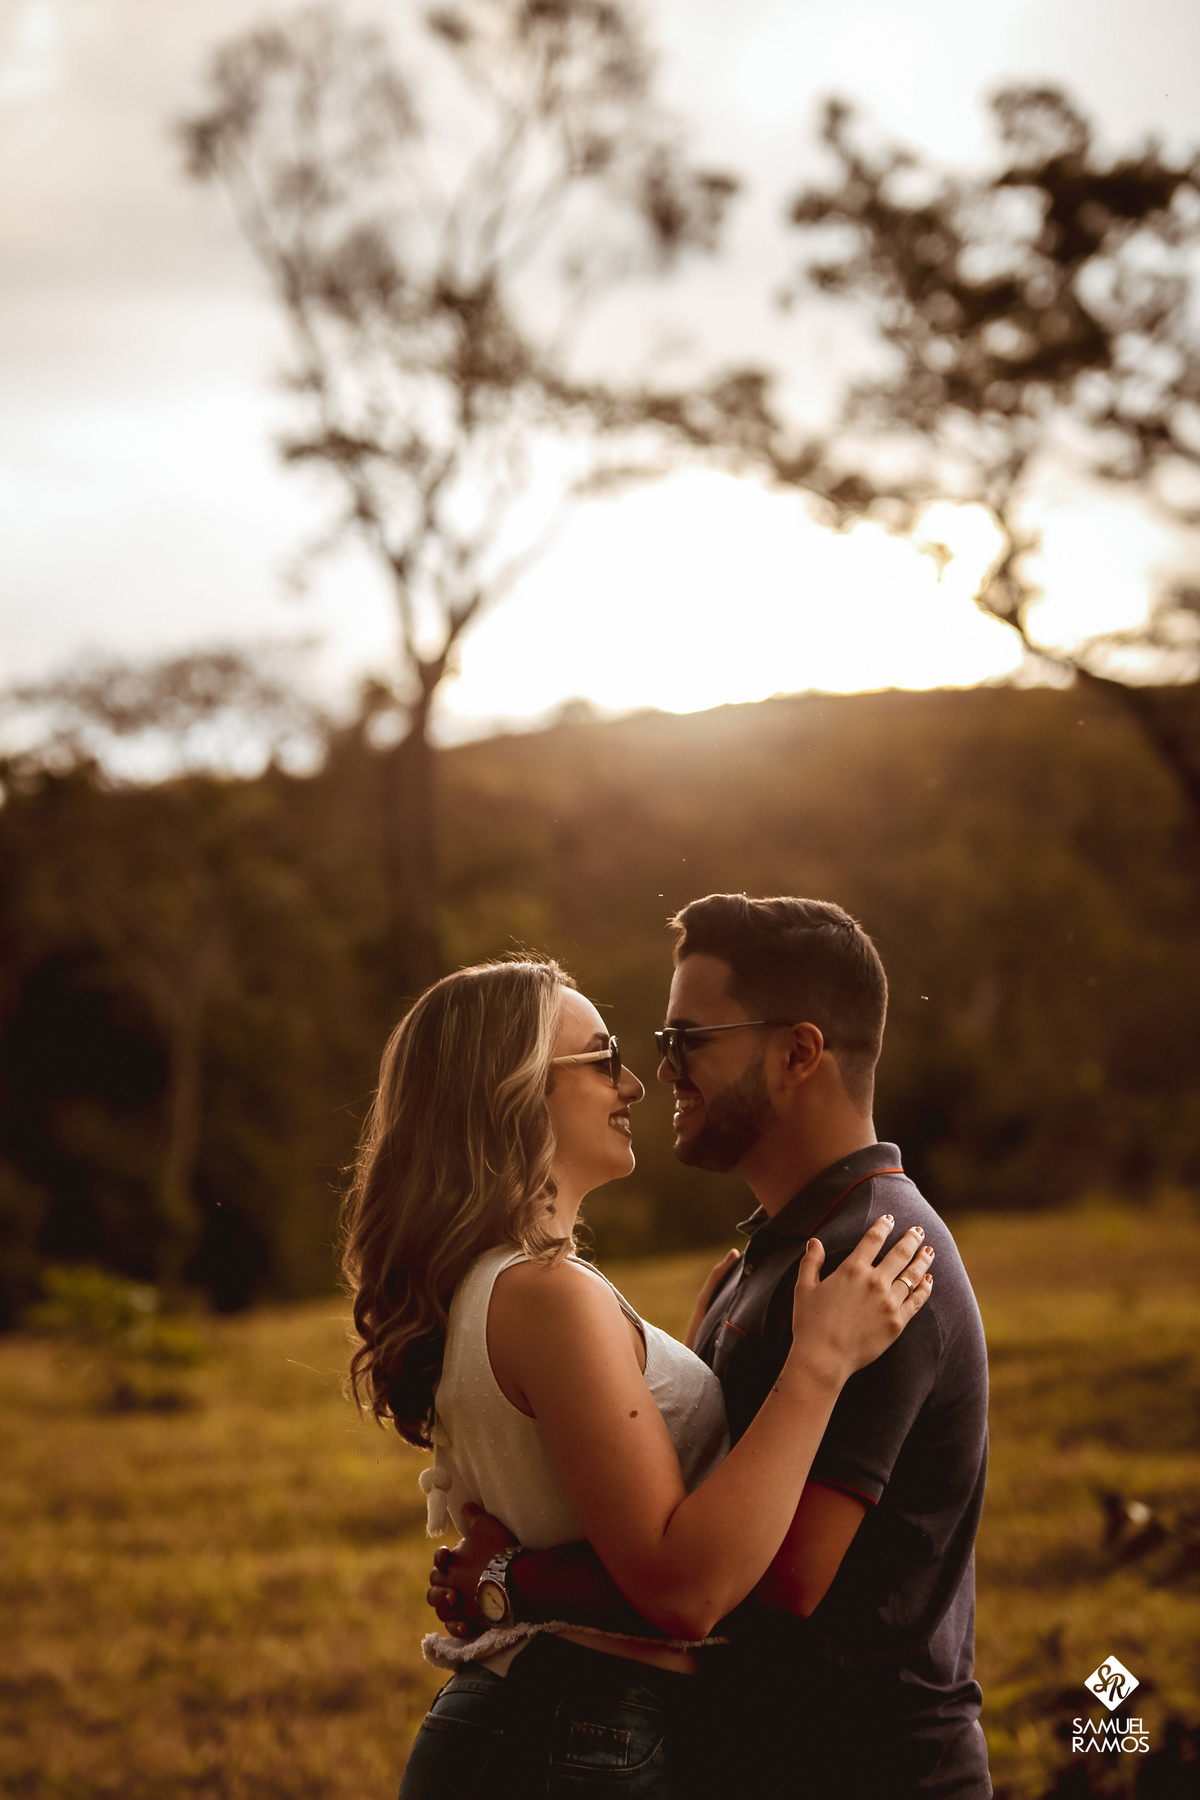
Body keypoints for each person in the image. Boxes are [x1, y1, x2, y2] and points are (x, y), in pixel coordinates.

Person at [429, 896, 992, 1799]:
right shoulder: (764, 1264)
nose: (660, 1071)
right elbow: (702, 1506)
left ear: (797, 1054)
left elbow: (774, 1580)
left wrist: (517, 1576)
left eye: (689, 1040)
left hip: (872, 1771)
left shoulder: (876, 1261)